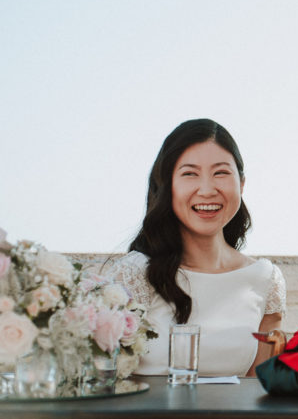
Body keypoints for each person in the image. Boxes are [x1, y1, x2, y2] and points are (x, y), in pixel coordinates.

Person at [113, 118, 285, 377]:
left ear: (241, 183)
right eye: (189, 174)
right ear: (167, 186)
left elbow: (258, 392)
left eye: (221, 173)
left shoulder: (265, 279)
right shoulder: (133, 273)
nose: (207, 190)